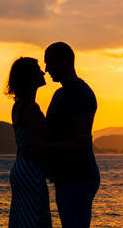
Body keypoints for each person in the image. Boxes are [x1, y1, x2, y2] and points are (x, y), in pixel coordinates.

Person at [43, 42, 99, 228]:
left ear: (65, 62)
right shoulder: (59, 94)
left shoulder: (81, 94)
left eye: (49, 63)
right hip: (66, 176)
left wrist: (43, 149)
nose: (46, 69)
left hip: (78, 176)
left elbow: (81, 141)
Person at [6, 57, 53, 228]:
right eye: (37, 69)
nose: (43, 72)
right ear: (29, 76)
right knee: (34, 219)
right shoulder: (31, 108)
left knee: (24, 219)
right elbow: (37, 147)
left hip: (21, 168)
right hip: (31, 171)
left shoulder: (19, 105)